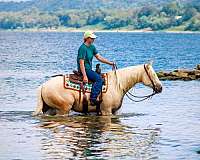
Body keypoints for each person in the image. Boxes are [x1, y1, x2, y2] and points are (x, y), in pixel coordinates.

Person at [77, 31, 114, 105]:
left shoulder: (92, 47)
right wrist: (84, 76)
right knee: (99, 79)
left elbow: (99, 57)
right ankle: (93, 99)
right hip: (84, 69)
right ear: (87, 38)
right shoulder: (82, 48)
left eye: (94, 38)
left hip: (89, 69)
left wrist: (110, 63)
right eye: (92, 38)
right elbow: (81, 63)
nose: (94, 39)